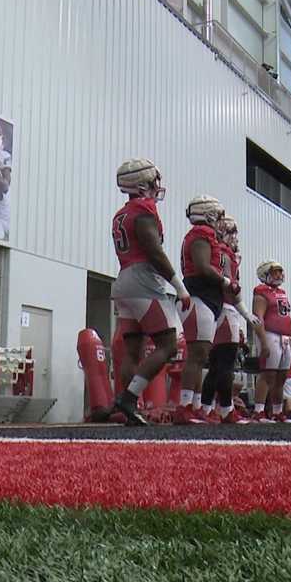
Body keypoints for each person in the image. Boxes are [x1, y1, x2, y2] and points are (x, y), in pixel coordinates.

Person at [106, 159, 188, 425]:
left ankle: (129, 405)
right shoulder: (144, 210)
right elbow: (154, 251)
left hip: (124, 280)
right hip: (143, 280)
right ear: (142, 184)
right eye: (153, 181)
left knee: (133, 351)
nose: (157, 185)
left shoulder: (122, 213)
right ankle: (129, 398)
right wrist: (179, 286)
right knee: (168, 344)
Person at [172, 196, 233, 425]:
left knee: (201, 356)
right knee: (197, 355)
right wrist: (227, 282)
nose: (219, 222)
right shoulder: (200, 234)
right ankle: (185, 406)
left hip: (205, 299)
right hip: (200, 297)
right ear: (208, 215)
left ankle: (195, 406)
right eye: (217, 217)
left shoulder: (203, 235)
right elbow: (202, 266)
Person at [198, 214, 259, 424]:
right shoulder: (224, 253)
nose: (235, 237)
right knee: (225, 362)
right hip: (225, 308)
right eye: (232, 232)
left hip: (216, 307)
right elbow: (230, 287)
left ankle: (205, 408)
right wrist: (245, 313)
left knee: (216, 364)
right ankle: (225, 409)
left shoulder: (218, 251)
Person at [252, 260, 291, 422]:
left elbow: (287, 317)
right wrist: (263, 341)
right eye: (275, 271)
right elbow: (258, 317)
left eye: (280, 271)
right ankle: (259, 411)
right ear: (265, 273)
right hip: (270, 334)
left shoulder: (282, 292)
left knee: (282, 376)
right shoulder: (261, 291)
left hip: (284, 337)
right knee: (268, 374)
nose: (279, 275)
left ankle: (277, 412)